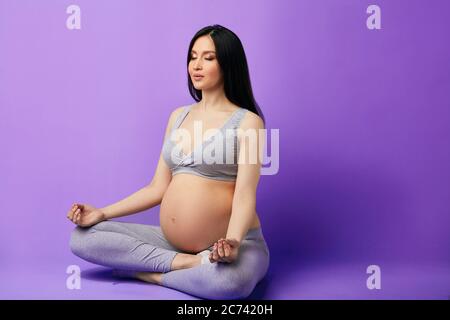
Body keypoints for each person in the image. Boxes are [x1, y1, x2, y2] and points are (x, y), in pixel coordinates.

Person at [68, 24, 269, 300]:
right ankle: (191, 265)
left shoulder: (248, 122)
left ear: (228, 64)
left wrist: (232, 242)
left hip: (232, 244)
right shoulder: (178, 117)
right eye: (193, 56)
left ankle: (154, 275)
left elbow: (245, 195)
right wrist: (101, 213)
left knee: (231, 283)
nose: (196, 65)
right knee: (82, 237)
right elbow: (157, 188)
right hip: (173, 245)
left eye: (208, 58)